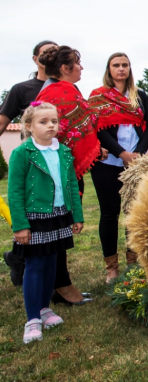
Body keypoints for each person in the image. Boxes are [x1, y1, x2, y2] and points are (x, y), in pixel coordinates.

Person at [8, 102, 84, 343]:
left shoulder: (63, 151)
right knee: (35, 266)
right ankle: (32, 319)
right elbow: (15, 191)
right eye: (44, 122)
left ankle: (44, 309)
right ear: (28, 126)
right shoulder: (23, 153)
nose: (51, 125)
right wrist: (20, 224)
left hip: (59, 215)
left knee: (52, 263)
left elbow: (72, 184)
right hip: (35, 218)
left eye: (54, 121)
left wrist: (77, 216)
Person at [36, 45, 98, 306]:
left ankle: (59, 284)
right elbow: (73, 132)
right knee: (59, 227)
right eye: (77, 63)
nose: (81, 67)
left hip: (57, 167)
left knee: (58, 227)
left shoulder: (51, 91)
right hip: (61, 172)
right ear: (65, 68)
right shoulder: (63, 92)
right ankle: (61, 286)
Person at [89, 53, 148, 282]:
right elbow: (98, 129)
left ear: (129, 68)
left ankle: (133, 264)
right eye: (116, 65)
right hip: (108, 163)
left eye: (125, 65)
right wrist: (122, 153)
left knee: (133, 214)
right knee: (109, 214)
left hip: (136, 163)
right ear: (109, 69)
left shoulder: (140, 95)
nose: (121, 69)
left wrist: (138, 153)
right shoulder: (98, 96)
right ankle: (112, 269)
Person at [1, 40, 58, 287]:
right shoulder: (21, 88)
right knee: (32, 213)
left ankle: (52, 276)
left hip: (59, 159)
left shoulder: (64, 87)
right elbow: (3, 121)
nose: (51, 56)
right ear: (36, 59)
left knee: (57, 215)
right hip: (32, 162)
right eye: (46, 52)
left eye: (56, 52)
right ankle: (19, 257)